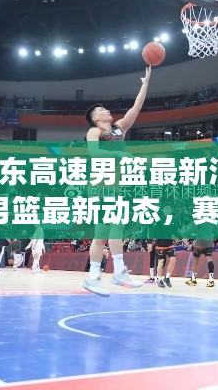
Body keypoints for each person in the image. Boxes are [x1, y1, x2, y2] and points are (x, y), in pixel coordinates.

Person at [82, 66, 152, 296]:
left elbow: (136, 108)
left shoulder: (119, 129)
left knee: (105, 232)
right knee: (112, 226)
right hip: (100, 185)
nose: (107, 110)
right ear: (95, 118)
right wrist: (120, 155)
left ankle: (97, 277)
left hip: (113, 186)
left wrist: (145, 83)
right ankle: (115, 272)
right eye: (102, 110)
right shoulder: (95, 132)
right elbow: (94, 153)